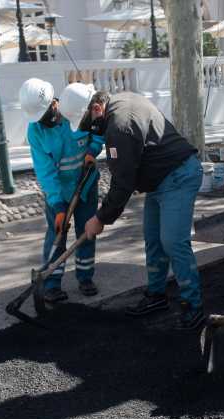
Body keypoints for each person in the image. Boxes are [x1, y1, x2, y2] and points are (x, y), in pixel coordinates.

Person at [64, 84, 206, 330]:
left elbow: (123, 182)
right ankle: (157, 295)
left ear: (97, 108)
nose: (89, 128)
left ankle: (193, 305)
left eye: (88, 122)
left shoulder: (120, 126)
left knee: (172, 241)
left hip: (178, 176)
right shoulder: (120, 103)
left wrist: (100, 218)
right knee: (153, 239)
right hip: (159, 179)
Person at [19, 79, 103, 313]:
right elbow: (45, 172)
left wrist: (93, 150)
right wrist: (57, 205)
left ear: (54, 104)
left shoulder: (74, 108)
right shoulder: (35, 131)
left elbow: (98, 130)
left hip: (85, 184)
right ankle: (51, 283)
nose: (43, 121)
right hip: (59, 191)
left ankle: (85, 277)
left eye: (45, 114)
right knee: (57, 233)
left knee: (87, 231)